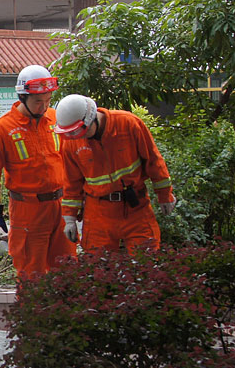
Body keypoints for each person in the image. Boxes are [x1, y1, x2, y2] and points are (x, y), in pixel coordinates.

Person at [0, 65, 76, 278]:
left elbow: (71, 160)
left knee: (67, 270)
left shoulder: (55, 119)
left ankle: (66, 311)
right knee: (31, 274)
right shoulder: (2, 129)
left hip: (61, 206)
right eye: (38, 102)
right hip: (28, 210)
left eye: (48, 101)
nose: (44, 107)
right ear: (23, 98)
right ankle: (32, 311)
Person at [53, 94, 175, 252]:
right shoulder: (72, 143)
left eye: (77, 131)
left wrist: (165, 195)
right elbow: (72, 183)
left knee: (146, 259)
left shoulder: (128, 125)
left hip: (135, 207)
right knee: (97, 264)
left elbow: (153, 161)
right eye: (70, 133)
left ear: (91, 119)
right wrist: (69, 219)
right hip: (97, 212)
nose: (76, 137)